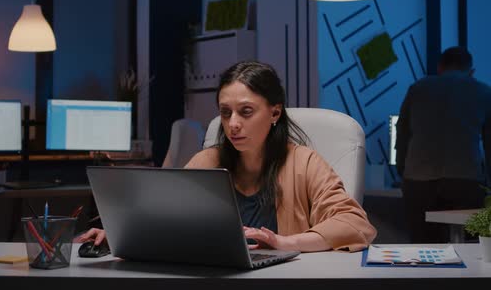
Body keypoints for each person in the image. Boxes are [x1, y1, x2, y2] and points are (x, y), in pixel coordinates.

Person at [77, 61, 377, 252]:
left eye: (246, 111)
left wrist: (286, 242)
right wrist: (118, 233)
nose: (232, 123)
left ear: (275, 112)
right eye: (225, 112)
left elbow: (354, 224)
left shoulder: (304, 162)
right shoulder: (207, 161)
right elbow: (163, 219)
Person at [396, 46, 491, 243]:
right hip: (466, 179)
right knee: (471, 245)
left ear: (440, 67)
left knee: (423, 244)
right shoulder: (483, 92)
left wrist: (402, 171)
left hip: (418, 179)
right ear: (471, 71)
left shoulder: (418, 89)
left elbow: (402, 133)